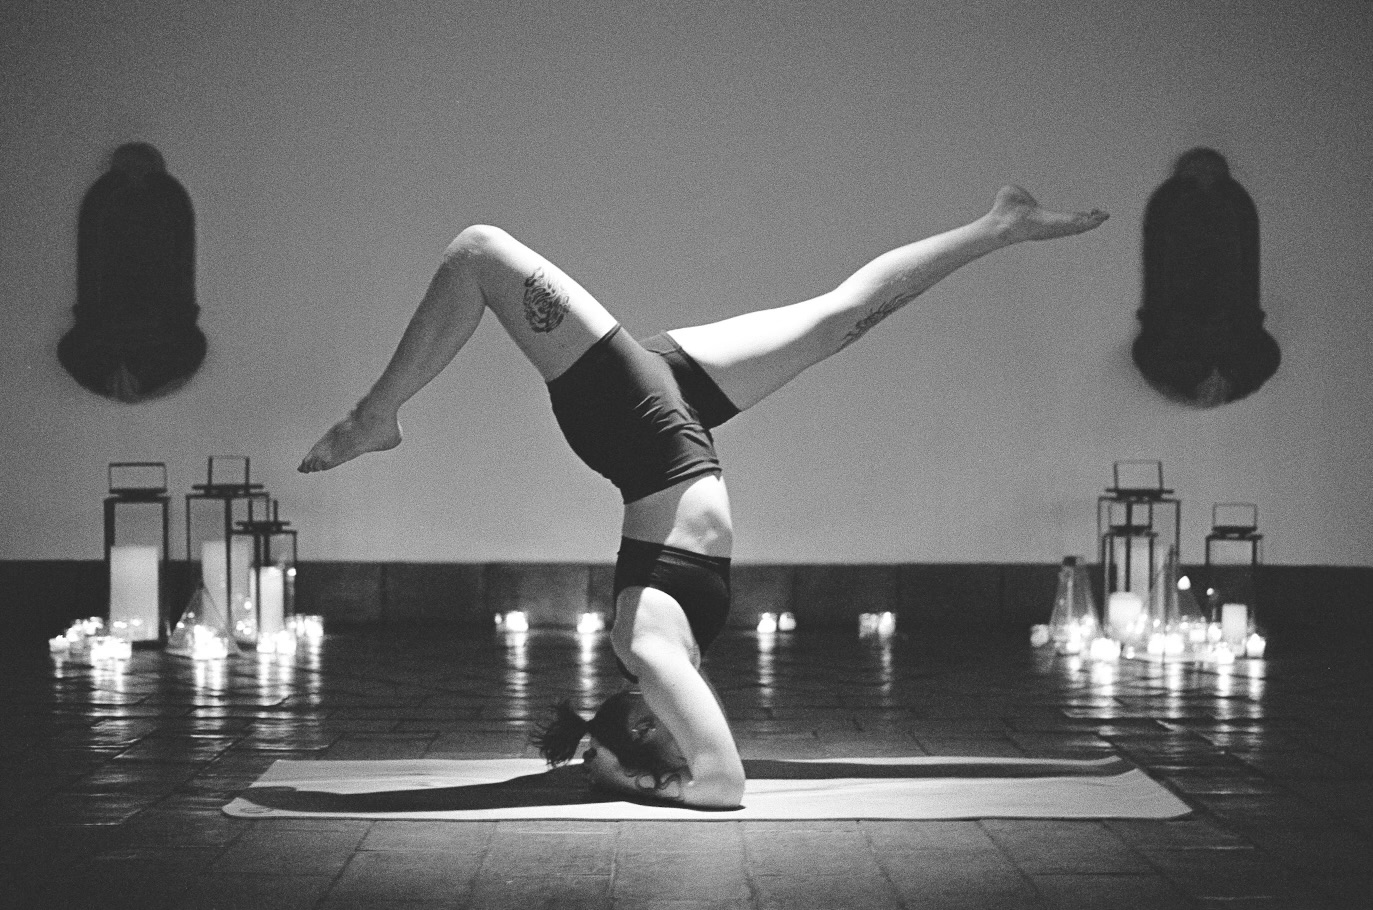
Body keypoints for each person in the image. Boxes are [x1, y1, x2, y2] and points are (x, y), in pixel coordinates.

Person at [298, 185, 1107, 809]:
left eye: (654, 729)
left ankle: (376, 417)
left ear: (647, 718)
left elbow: (720, 784)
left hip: (637, 435)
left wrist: (626, 780)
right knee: (840, 319)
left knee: (478, 250)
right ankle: (999, 226)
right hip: (663, 432)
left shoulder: (644, 650)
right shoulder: (660, 652)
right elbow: (716, 777)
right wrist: (637, 777)